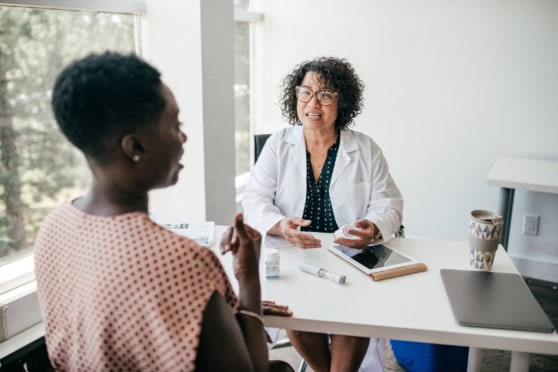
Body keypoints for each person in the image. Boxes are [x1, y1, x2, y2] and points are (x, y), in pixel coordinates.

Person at [34, 52, 292, 372]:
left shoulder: (55, 227)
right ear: (135, 147)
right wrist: (249, 280)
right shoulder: (181, 260)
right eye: (175, 125)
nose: (183, 138)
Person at [242, 56, 403, 371]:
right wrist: (279, 224)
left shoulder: (366, 149)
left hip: (350, 257)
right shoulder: (279, 144)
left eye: (326, 95)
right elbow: (254, 198)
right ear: (296, 96)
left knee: (351, 320)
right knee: (297, 315)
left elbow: (389, 202)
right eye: (306, 92)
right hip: (295, 255)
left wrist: (372, 225)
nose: (313, 103)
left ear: (342, 102)